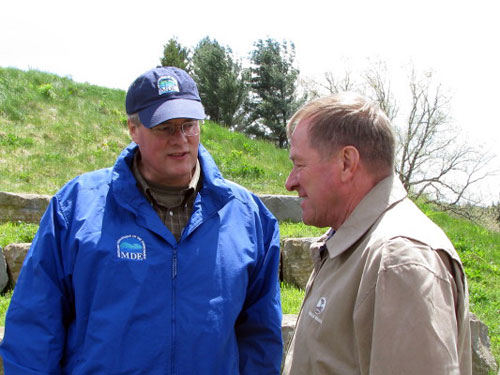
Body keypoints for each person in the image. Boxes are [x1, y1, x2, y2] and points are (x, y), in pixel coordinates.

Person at [0, 66, 283, 374]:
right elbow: (34, 327)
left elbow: (261, 336)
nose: (181, 139)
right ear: (133, 129)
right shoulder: (76, 207)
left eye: (189, 125)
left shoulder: (248, 216)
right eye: (164, 127)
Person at [282, 92, 472, 375]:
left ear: (347, 162)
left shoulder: (399, 260)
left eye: (299, 164)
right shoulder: (353, 244)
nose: (289, 182)